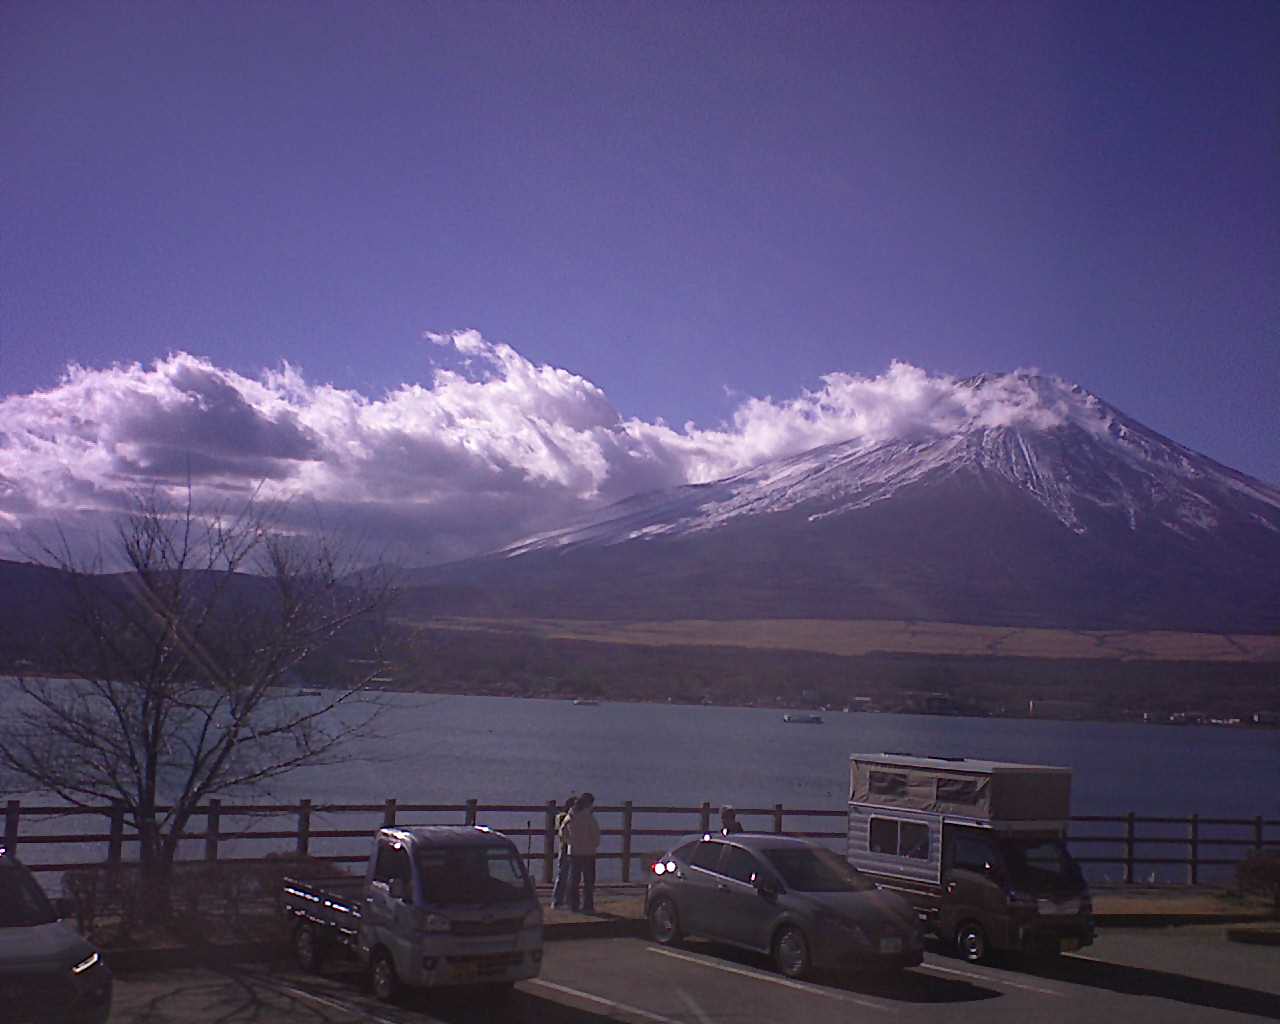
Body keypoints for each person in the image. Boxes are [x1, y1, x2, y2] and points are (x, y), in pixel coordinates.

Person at [564, 792, 601, 913]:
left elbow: (563, 832)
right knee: (588, 881)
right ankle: (588, 905)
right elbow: (595, 836)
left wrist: (569, 842)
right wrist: (593, 844)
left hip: (573, 851)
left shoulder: (570, 816)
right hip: (588, 852)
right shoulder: (589, 818)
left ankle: (573, 904)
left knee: (573, 879)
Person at [551, 794, 575, 908]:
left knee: (565, 875)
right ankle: (558, 900)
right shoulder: (566, 817)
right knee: (564, 875)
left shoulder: (561, 816)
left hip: (565, 847)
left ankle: (562, 900)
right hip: (567, 848)